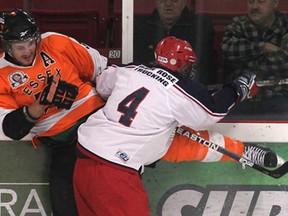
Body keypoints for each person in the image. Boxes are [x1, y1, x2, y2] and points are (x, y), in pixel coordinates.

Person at [73, 36, 262, 216]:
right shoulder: (179, 90)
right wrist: (238, 89)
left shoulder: (130, 69)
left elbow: (102, 83)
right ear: (182, 65)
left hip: (83, 161)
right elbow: (211, 112)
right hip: (115, 172)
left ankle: (245, 152)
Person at [0, 8, 107, 216]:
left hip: (96, 121)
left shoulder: (55, 43)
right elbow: (11, 128)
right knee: (63, 198)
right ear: (7, 46)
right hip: (63, 142)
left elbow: (102, 69)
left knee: (105, 185)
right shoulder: (1, 74)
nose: (28, 51)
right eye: (20, 46)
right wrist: (38, 106)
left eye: (31, 43)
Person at [133, 0, 217, 85]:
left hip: (188, 89)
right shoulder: (140, 27)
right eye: (163, 0)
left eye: (174, 0)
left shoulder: (200, 27)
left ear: (184, 2)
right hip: (150, 86)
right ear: (155, 2)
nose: (168, 4)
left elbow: (205, 68)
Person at [221, 0, 288, 99]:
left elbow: (285, 63)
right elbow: (228, 52)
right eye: (251, 2)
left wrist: (246, 63)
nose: (254, 7)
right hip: (242, 98)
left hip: (280, 97)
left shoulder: (285, 25)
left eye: (261, 1)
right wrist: (264, 47)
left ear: (275, 3)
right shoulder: (238, 25)